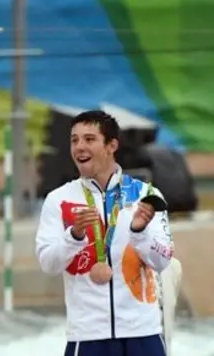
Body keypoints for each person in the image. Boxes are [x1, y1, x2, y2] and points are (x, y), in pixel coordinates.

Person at [34, 110, 175, 356]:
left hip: (143, 333)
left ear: (112, 145)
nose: (79, 147)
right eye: (74, 140)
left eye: (89, 139)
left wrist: (140, 232)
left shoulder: (147, 195)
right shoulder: (58, 200)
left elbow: (162, 260)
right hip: (88, 335)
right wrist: (74, 236)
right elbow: (48, 264)